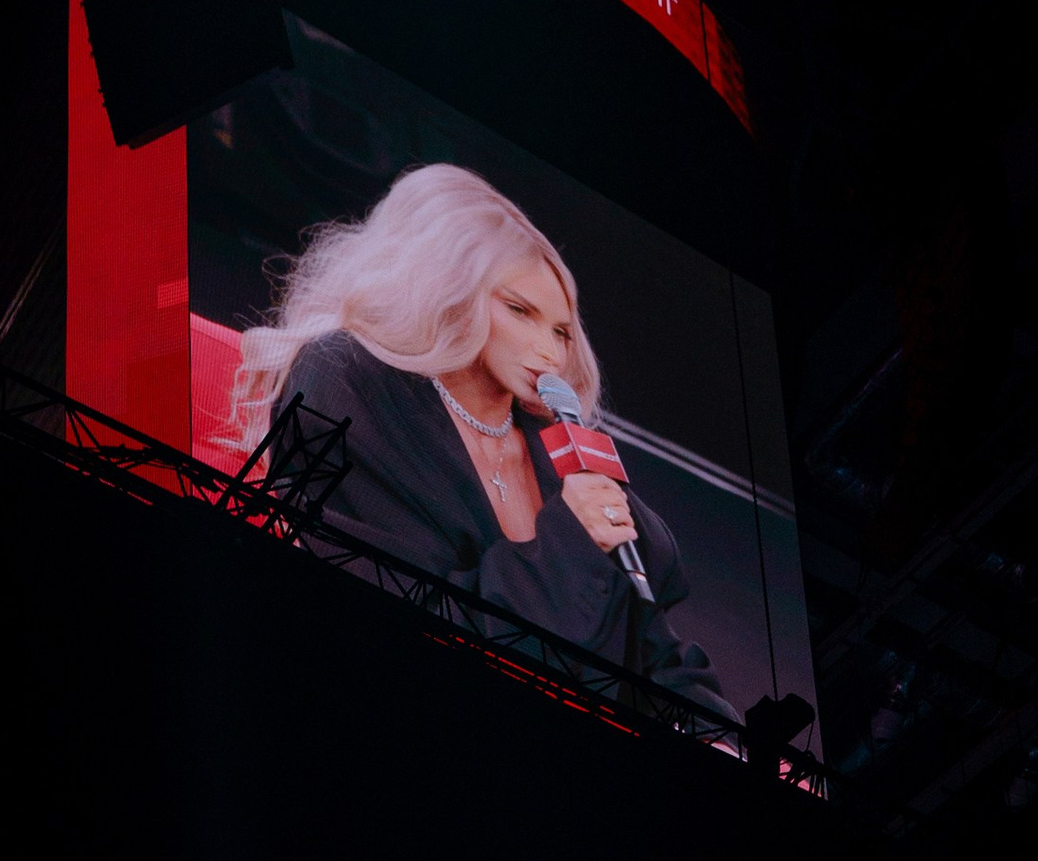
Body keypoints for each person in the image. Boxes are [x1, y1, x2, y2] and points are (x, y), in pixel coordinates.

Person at [233, 163, 736, 725]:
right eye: (520, 311)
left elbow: (648, 644)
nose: (549, 351)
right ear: (452, 291)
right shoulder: (347, 378)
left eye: (562, 331)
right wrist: (569, 539)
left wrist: (720, 737)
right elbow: (404, 623)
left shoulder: (553, 447)